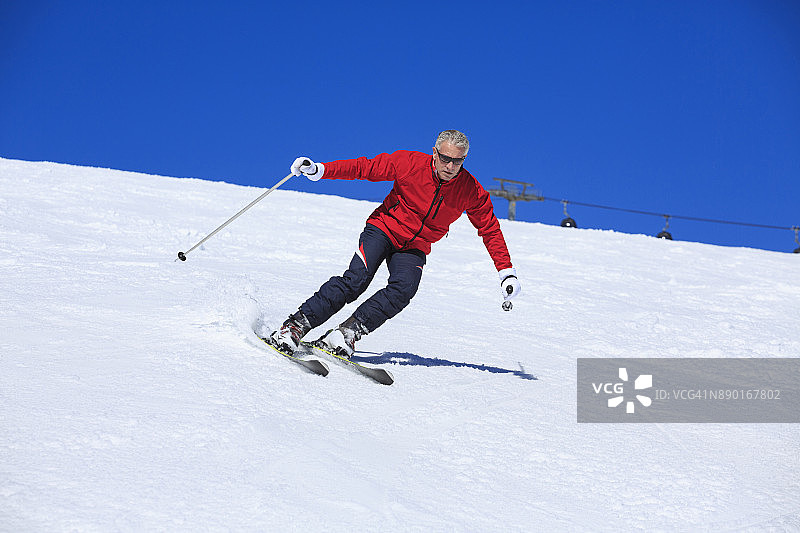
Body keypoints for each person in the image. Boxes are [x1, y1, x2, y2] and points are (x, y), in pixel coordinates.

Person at [269, 130, 521, 357]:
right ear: (434, 153)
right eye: (445, 158)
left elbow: (490, 229)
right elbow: (365, 168)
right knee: (356, 280)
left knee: (404, 289)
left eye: (457, 161)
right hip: (384, 229)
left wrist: (506, 272)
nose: (450, 166)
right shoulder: (409, 163)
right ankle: (294, 327)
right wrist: (321, 170)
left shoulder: (470, 190)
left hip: (415, 246)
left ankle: (345, 334)